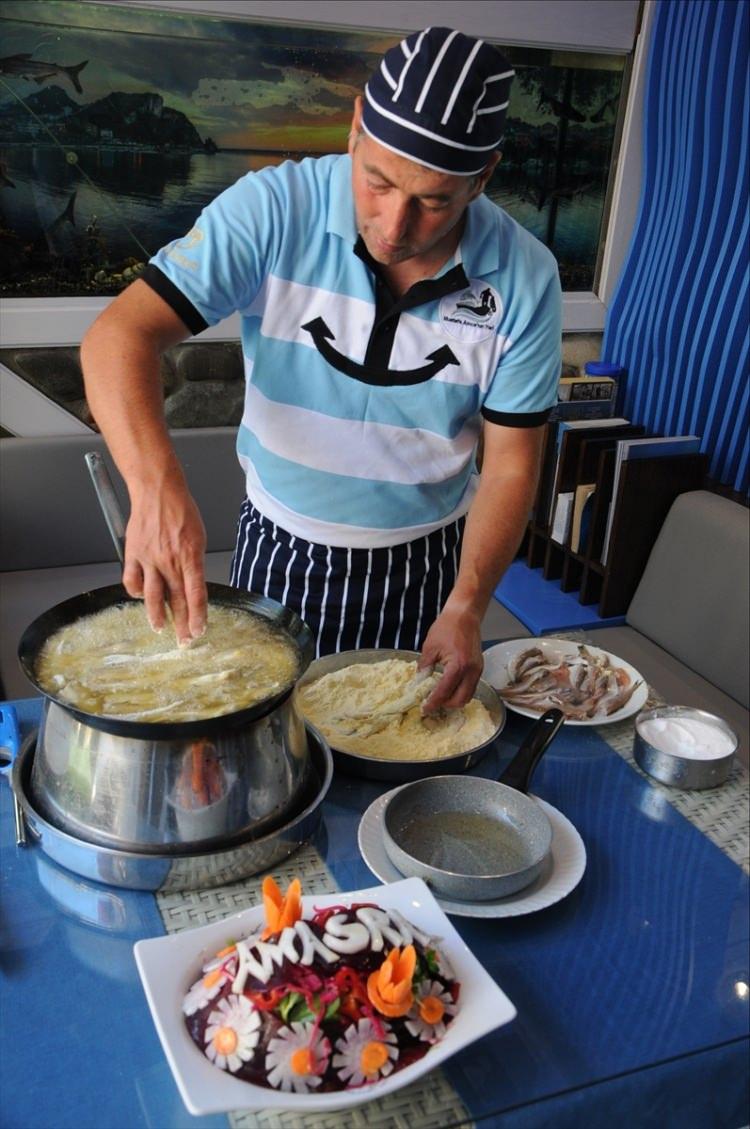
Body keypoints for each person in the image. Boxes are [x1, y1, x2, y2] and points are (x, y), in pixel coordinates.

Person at [80, 26, 561, 713]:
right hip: (280, 546)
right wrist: (155, 489)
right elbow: (116, 336)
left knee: (398, 761)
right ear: (357, 125)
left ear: (482, 178)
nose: (395, 226)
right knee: (261, 755)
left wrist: (469, 603)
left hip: (424, 565)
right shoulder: (275, 210)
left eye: (434, 201)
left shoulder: (525, 277)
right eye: (378, 182)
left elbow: (512, 463)